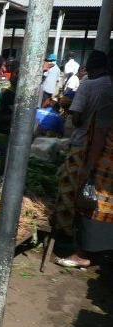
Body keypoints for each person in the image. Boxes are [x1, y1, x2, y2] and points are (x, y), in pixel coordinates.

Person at [56, 50, 113, 268]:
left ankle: (73, 243)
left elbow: (77, 117)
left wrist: (87, 167)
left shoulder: (89, 85)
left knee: (76, 196)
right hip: (105, 157)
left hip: (86, 148)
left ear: (88, 67)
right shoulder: (109, 85)